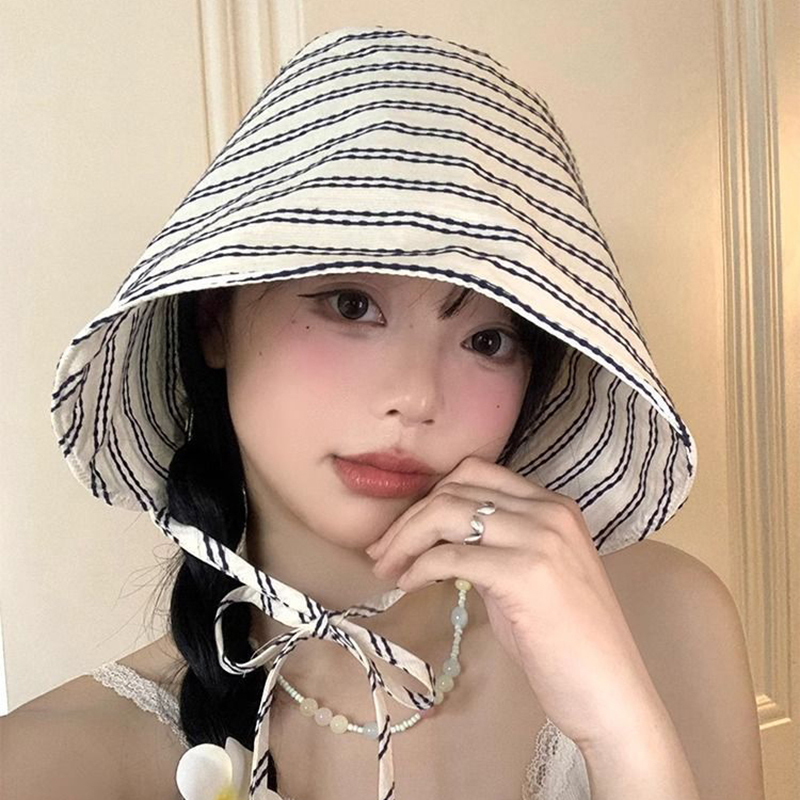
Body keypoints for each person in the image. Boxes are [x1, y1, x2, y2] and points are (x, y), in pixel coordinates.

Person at [2, 24, 764, 800]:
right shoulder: (48, 764)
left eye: (488, 339)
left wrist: (621, 731)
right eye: (351, 304)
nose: (419, 397)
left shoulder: (663, 621)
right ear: (214, 319)